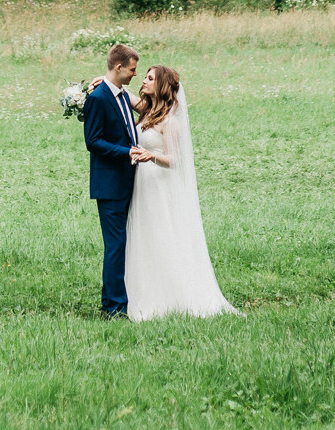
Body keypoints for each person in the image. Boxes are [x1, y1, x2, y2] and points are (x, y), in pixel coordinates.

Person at [124, 64, 237, 321]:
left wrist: (151, 155)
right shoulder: (148, 112)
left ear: (161, 85)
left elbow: (174, 160)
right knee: (144, 235)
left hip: (159, 185)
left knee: (162, 235)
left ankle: (170, 296)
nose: (143, 80)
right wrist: (108, 83)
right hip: (143, 183)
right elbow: (126, 96)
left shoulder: (169, 122)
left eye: (150, 78)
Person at [82, 42, 140, 318]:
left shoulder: (121, 94)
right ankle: (114, 307)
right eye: (131, 70)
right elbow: (93, 142)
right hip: (110, 184)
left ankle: (113, 301)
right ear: (119, 67)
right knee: (115, 245)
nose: (134, 74)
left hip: (128, 181)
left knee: (120, 244)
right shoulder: (98, 98)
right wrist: (127, 152)